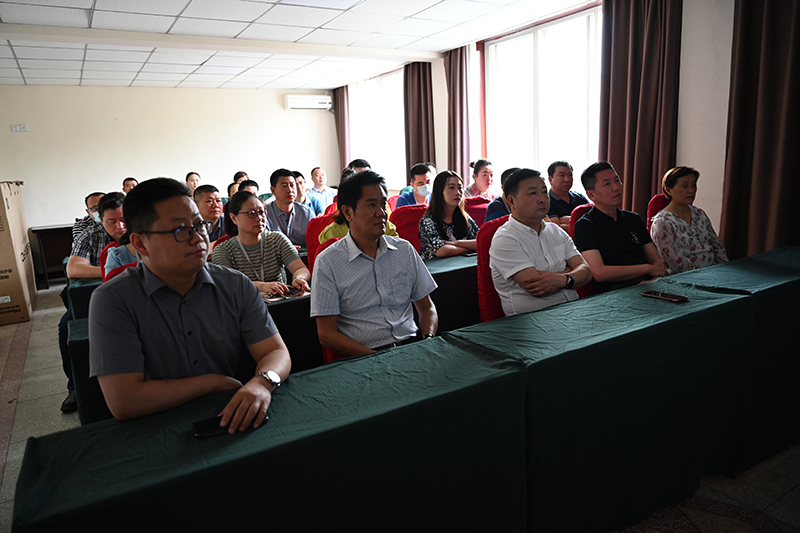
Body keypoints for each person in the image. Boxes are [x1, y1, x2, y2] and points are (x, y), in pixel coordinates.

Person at [89, 178, 291, 432]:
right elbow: (124, 401)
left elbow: (275, 352)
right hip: (152, 430)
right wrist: (213, 383)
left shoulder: (235, 285)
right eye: (180, 230)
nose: (198, 238)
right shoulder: (113, 300)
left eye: (199, 225)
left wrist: (262, 383)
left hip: (226, 417)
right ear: (140, 243)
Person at [311, 170, 438, 358]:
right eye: (371, 205)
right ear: (347, 212)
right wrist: (376, 358)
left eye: (383, 204)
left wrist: (427, 340)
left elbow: (427, 308)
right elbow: (326, 334)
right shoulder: (328, 262)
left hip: (412, 349)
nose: (382, 213)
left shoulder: (404, 250)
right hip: (364, 359)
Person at [490, 168, 592, 316]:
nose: (542, 199)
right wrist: (571, 274)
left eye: (544, 192)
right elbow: (538, 287)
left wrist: (559, 278)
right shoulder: (505, 238)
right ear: (511, 201)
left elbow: (586, 271)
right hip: (532, 320)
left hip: (572, 312)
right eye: (533, 193)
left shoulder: (555, 230)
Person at [59, 192, 127, 412]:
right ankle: (75, 387)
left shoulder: (141, 230)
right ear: (100, 219)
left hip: (135, 293)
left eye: (123, 219)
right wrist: (113, 271)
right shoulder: (89, 235)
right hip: (98, 296)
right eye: (112, 221)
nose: (120, 226)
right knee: (67, 326)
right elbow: (74, 269)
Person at [572, 162, 667, 293]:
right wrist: (647, 269)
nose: (616, 187)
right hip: (614, 292)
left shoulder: (633, 219)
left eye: (617, 180)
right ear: (591, 195)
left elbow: (657, 262)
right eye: (607, 184)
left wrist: (654, 276)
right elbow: (599, 273)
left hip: (649, 284)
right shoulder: (585, 225)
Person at [213, 191, 310, 296]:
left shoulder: (277, 239)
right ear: (234, 218)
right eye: (251, 213)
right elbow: (227, 284)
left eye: (261, 212)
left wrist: (299, 278)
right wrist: (262, 286)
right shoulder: (223, 250)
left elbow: (300, 268)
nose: (259, 218)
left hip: (279, 301)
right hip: (243, 304)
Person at [650, 166, 728, 274]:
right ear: (668, 190)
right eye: (685, 186)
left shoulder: (699, 214)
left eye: (694, 185)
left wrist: (723, 268)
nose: (691, 190)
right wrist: (708, 276)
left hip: (713, 272)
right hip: (686, 278)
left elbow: (717, 247)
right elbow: (677, 264)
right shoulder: (662, 222)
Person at [419, 171, 479, 260]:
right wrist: (468, 248)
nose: (457, 192)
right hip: (436, 267)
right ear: (440, 191)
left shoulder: (464, 217)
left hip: (462, 264)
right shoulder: (428, 220)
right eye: (451, 188)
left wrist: (457, 243)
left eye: (460, 188)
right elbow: (441, 251)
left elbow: (481, 241)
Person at [264, 169, 316, 247]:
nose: (290, 190)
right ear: (273, 190)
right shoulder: (264, 214)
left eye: (292, 185)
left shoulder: (307, 213)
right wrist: (286, 249)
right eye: (284, 186)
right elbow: (264, 243)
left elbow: (315, 242)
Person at [546, 161, 589, 232]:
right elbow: (555, 229)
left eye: (570, 175)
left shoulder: (579, 197)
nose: (567, 179)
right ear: (550, 179)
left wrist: (570, 221)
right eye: (562, 175)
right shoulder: (546, 201)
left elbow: (594, 220)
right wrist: (581, 222)